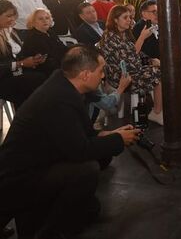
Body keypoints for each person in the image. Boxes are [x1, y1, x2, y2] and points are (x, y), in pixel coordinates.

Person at [0, 45, 139, 239]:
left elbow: (81, 134)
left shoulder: (65, 86)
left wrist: (112, 134)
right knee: (87, 169)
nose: (103, 76)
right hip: (20, 177)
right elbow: (80, 150)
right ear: (84, 75)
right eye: (100, 71)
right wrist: (117, 139)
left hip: (43, 159)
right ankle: (47, 232)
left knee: (91, 208)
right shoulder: (58, 99)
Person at [133, 1, 181, 105]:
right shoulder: (140, 27)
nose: (157, 14)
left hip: (166, 57)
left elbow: (170, 45)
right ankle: (176, 99)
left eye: (158, 12)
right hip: (153, 60)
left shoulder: (158, 25)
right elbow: (143, 51)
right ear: (144, 13)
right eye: (154, 12)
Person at [98, 5, 164, 125]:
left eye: (129, 16)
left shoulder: (125, 33)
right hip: (121, 75)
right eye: (125, 17)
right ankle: (157, 112)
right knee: (157, 74)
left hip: (133, 68)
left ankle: (159, 109)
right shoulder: (110, 37)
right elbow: (127, 59)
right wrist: (142, 38)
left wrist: (150, 60)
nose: (129, 19)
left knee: (160, 68)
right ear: (115, 20)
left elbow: (135, 53)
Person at [0, 0, 46, 109]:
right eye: (8, 16)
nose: (12, 19)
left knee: (46, 72)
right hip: (3, 79)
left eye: (13, 16)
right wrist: (21, 64)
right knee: (35, 80)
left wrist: (33, 60)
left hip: (16, 74)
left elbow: (17, 56)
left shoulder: (10, 32)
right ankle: (28, 119)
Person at [19, 9, 68, 77]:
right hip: (43, 70)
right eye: (40, 19)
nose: (45, 21)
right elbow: (49, 57)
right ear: (33, 22)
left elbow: (61, 47)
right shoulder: (33, 37)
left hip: (57, 63)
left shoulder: (50, 32)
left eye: (47, 18)